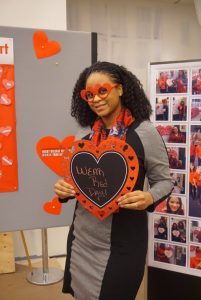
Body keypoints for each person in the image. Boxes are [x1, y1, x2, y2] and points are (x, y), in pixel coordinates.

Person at [54, 61, 172, 300]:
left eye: (102, 90)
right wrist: (63, 189)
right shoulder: (83, 135)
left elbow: (165, 182)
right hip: (83, 238)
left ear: (120, 89)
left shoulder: (144, 133)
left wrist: (149, 196)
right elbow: (77, 181)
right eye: (89, 94)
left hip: (124, 243)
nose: (95, 99)